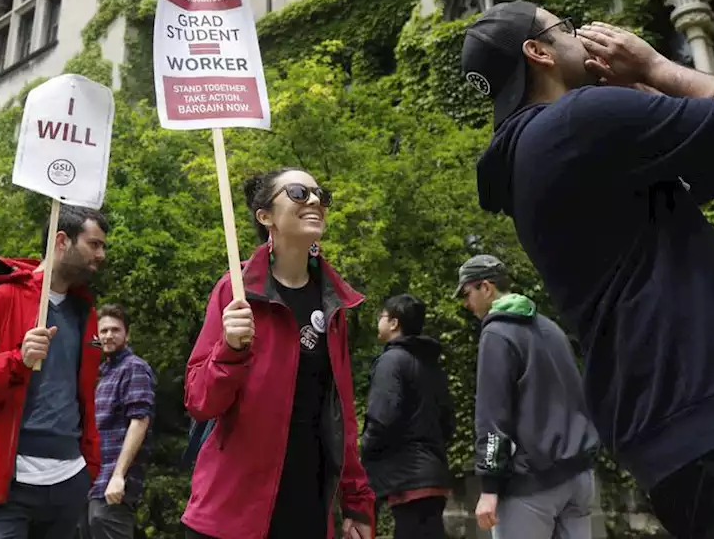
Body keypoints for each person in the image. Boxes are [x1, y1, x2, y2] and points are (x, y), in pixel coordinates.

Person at [463, 0, 714, 537]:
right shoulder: (580, 119)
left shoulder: (531, 153)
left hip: (672, 434)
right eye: (567, 28)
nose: (582, 36)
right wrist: (655, 68)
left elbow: (701, 180)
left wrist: (640, 97)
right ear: (539, 53)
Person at [182, 168, 375, 539]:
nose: (316, 200)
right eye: (300, 193)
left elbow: (342, 413)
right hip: (233, 513)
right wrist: (230, 349)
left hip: (307, 509)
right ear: (265, 215)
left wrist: (356, 501)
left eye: (321, 193)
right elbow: (198, 401)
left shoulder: (332, 303)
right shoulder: (236, 292)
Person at [0, 205, 109, 539]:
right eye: (94, 244)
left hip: (68, 482)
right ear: (61, 241)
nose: (101, 254)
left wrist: (87, 470)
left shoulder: (85, 312)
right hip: (1, 487)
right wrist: (15, 360)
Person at [454, 255, 599, 538]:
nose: (465, 303)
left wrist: (490, 488)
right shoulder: (550, 328)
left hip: (532, 484)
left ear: (486, 287)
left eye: (466, 293)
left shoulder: (497, 334)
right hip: (579, 476)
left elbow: (493, 418)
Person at [360, 294, 454, 539]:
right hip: (433, 474)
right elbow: (447, 421)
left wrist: (363, 453)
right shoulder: (431, 364)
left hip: (408, 477)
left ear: (394, 323)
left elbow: (383, 417)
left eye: (381, 316)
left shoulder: (391, 361)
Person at [86, 304, 156, 539]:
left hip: (114, 480)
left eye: (115, 330)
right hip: (94, 480)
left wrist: (118, 476)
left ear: (127, 334)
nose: (108, 335)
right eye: (103, 330)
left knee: (105, 521)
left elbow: (139, 421)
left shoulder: (134, 368)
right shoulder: (103, 373)